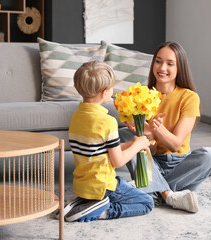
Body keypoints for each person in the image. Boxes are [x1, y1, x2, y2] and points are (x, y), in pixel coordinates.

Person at [126, 42, 211, 213]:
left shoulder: (189, 97)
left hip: (182, 165)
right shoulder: (142, 96)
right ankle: (169, 195)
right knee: (127, 137)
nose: (162, 67)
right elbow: (150, 152)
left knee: (210, 156)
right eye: (158, 61)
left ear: (179, 68)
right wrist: (147, 136)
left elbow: (175, 144)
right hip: (153, 163)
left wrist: (156, 128)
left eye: (170, 63)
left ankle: (153, 192)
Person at [65, 61, 154, 222]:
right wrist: (138, 145)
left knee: (124, 184)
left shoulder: (76, 117)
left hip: (82, 185)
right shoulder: (107, 122)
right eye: (112, 88)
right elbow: (118, 161)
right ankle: (102, 211)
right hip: (103, 186)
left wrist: (133, 144)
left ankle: (86, 201)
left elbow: (100, 149)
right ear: (105, 93)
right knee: (146, 202)